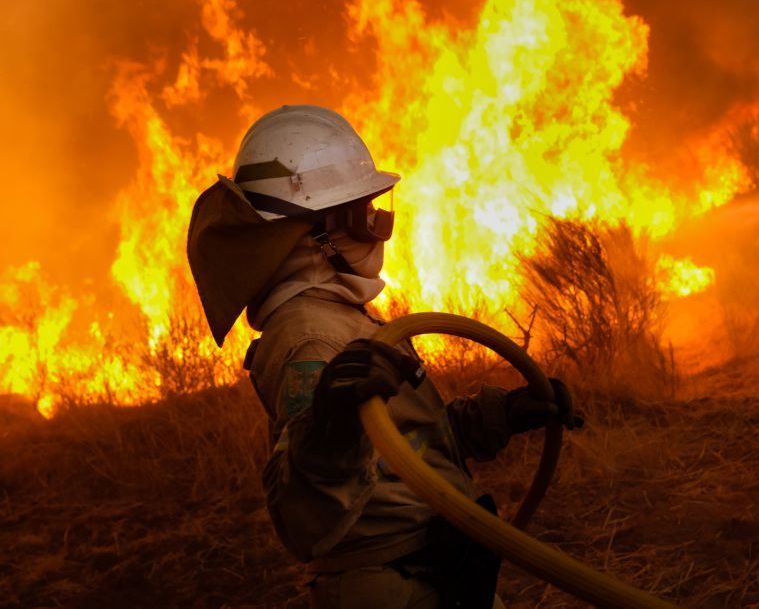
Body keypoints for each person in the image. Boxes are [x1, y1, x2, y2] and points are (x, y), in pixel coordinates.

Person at [187, 104, 582, 608]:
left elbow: (396, 451)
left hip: (436, 569)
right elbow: (305, 515)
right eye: (364, 214)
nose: (377, 227)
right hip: (396, 587)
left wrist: (496, 418)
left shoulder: (337, 317)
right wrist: (328, 430)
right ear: (315, 232)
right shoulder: (310, 338)